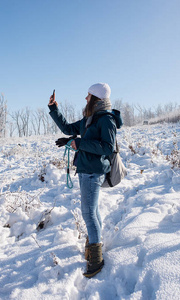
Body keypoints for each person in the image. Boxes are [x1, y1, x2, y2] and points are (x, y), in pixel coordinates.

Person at [48, 83, 123, 278]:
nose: (85, 98)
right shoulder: (89, 119)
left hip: (93, 172)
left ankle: (96, 260)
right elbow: (67, 128)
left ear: (97, 98)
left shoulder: (106, 119)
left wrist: (80, 143)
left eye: (88, 96)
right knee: (92, 211)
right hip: (85, 170)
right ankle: (93, 246)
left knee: (89, 213)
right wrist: (54, 108)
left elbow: (107, 147)